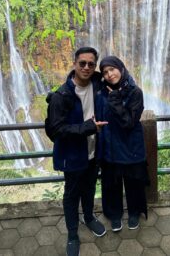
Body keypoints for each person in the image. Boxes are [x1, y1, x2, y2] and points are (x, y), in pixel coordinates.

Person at [45, 47, 108, 256]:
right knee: (71, 195)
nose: (87, 67)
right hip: (73, 155)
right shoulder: (61, 96)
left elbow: (120, 78)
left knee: (89, 189)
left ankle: (89, 217)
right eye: (82, 63)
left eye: (91, 64)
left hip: (93, 152)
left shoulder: (98, 82)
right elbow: (56, 130)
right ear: (74, 64)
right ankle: (72, 234)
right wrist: (88, 127)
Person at [97, 56, 148, 232]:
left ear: (121, 68)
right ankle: (114, 214)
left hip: (131, 146)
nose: (110, 74)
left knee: (133, 182)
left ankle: (134, 213)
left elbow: (128, 122)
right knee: (111, 184)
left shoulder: (135, 92)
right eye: (105, 72)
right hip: (110, 146)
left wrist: (115, 100)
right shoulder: (102, 90)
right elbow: (81, 81)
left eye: (112, 69)